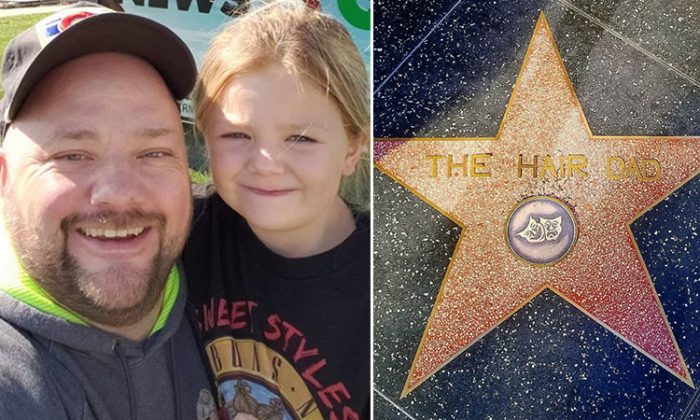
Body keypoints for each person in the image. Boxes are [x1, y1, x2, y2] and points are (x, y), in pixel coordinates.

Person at [0, 5, 216, 419]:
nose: (119, 194)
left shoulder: (221, 269)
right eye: (73, 155)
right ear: (4, 177)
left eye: (154, 153)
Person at [184, 2, 370, 419]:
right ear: (205, 136)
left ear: (352, 149)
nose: (266, 162)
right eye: (236, 134)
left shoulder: (392, 286)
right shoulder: (181, 233)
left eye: (301, 139)